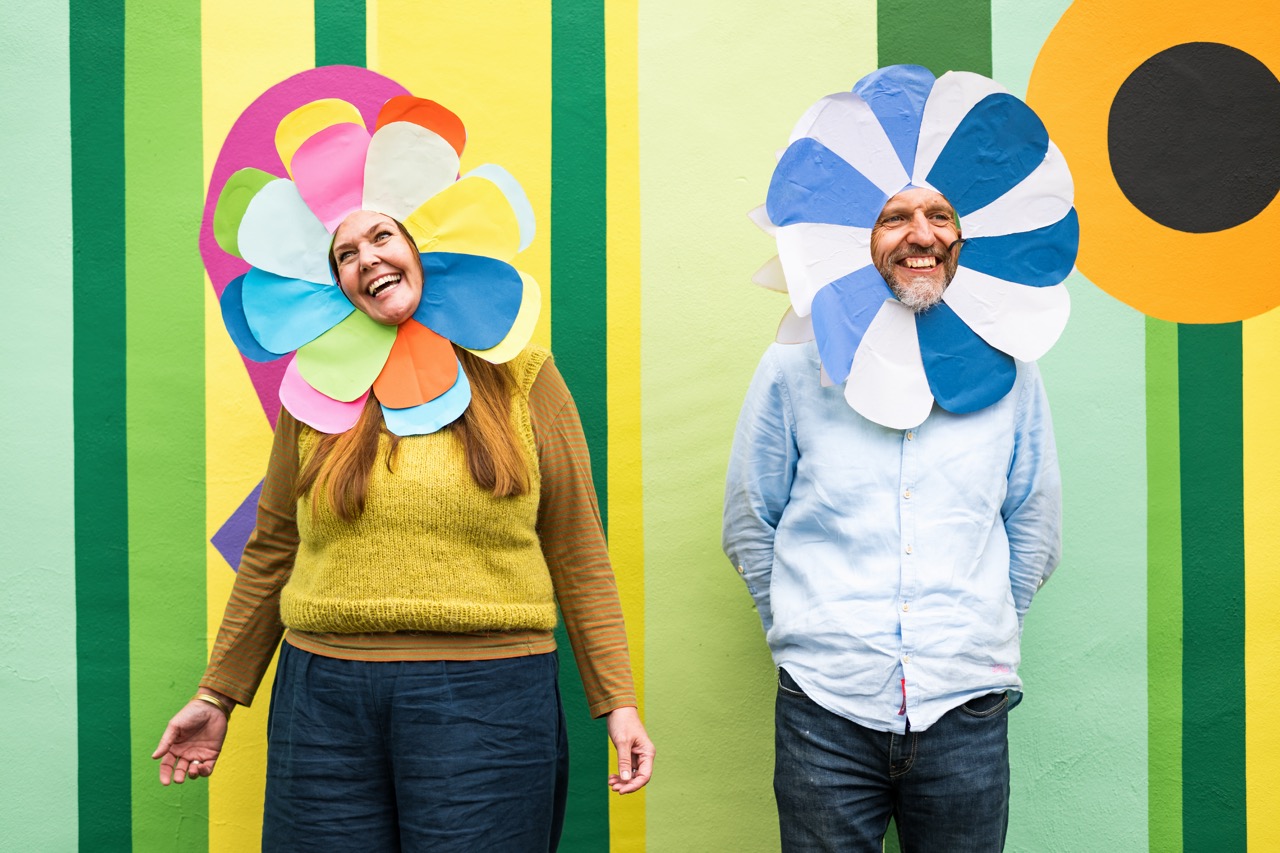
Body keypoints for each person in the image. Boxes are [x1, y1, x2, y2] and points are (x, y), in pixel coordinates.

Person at [152, 84, 652, 852]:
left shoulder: (523, 373)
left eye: (380, 237)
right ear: (336, 284)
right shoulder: (316, 391)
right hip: (324, 701)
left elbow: (577, 545)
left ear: (418, 245)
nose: (367, 259)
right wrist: (219, 691)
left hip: (489, 699)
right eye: (345, 254)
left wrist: (615, 699)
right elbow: (274, 543)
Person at [724, 65, 1074, 852]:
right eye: (896, 217)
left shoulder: (1011, 366)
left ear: (962, 235)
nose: (921, 234)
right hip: (825, 705)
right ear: (862, 239)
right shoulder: (793, 364)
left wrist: (975, 631)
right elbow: (751, 518)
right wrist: (805, 633)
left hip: (966, 707)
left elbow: (1035, 522)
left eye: (939, 215)